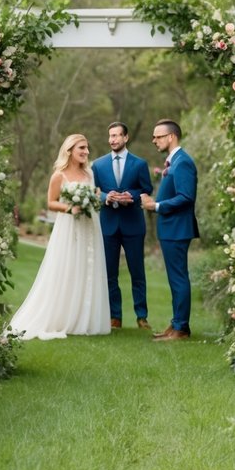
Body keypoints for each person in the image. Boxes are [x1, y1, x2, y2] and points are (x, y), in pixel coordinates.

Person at [10, 134, 111, 340]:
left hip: (90, 227)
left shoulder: (90, 174)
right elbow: (51, 202)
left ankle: (86, 319)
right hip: (69, 228)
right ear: (69, 150)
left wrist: (93, 200)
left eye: (87, 148)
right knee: (68, 267)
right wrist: (70, 208)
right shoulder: (59, 175)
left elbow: (95, 194)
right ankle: (63, 317)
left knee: (88, 267)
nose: (86, 152)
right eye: (82, 148)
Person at [140, 120, 199, 341]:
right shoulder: (173, 162)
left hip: (177, 229)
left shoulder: (182, 162)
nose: (154, 140)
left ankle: (181, 328)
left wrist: (155, 206)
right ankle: (176, 324)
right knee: (175, 278)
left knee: (178, 278)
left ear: (171, 136)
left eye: (158, 136)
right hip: (171, 229)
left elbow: (186, 197)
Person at [91, 122, 153, 330]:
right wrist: (105, 197)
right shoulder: (98, 165)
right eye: (111, 136)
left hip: (133, 225)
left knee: (138, 273)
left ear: (126, 138)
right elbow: (92, 191)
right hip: (108, 225)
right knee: (110, 274)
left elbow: (146, 188)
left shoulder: (139, 164)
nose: (113, 139)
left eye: (117, 135)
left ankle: (141, 316)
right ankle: (114, 316)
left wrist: (132, 196)